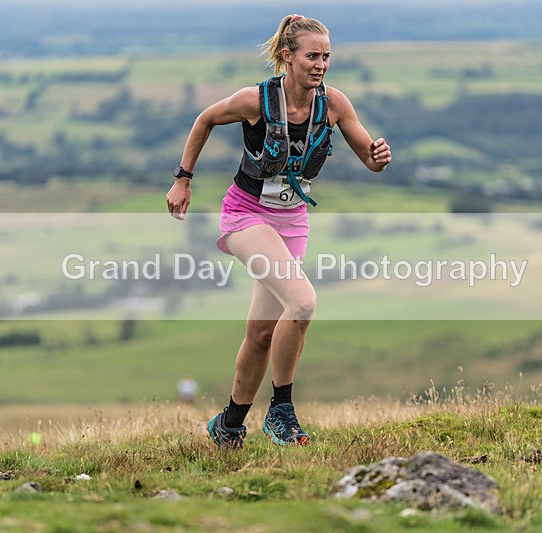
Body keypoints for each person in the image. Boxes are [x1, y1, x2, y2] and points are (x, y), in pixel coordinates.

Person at [166, 14, 391, 449]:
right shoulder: (256, 100)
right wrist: (183, 178)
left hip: (293, 224)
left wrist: (379, 156)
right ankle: (281, 411)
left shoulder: (335, 104)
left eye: (326, 56)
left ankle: (229, 424)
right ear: (287, 57)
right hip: (246, 216)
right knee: (303, 301)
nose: (321, 64)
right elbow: (205, 119)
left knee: (263, 332)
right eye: (312, 56)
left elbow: (368, 155)